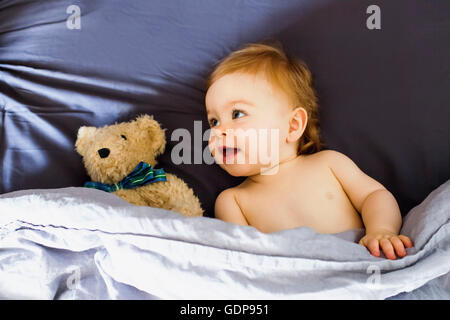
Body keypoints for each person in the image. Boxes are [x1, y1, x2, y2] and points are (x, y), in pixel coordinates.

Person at [204, 41, 413, 260]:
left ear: (293, 126)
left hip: (361, 264)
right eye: (214, 121)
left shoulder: (329, 164)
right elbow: (244, 261)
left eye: (237, 114)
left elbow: (375, 195)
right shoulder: (233, 201)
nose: (219, 132)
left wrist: (381, 230)